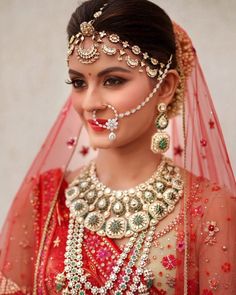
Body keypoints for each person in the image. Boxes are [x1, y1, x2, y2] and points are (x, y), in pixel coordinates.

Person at [0, 0, 235, 294]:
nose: (89, 104)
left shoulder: (208, 209)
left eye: (112, 80)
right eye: (78, 83)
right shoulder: (44, 200)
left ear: (164, 87)